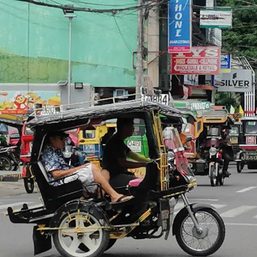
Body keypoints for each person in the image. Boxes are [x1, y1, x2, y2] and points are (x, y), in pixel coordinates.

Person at [41, 131, 133, 204]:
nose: (64, 141)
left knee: (105, 172)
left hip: (67, 177)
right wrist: (80, 168)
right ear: (52, 139)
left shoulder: (57, 150)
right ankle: (114, 195)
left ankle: (101, 194)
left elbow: (76, 153)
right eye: (61, 139)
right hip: (60, 182)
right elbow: (56, 174)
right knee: (91, 167)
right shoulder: (49, 152)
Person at [102, 118, 151, 188]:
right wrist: (144, 164)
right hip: (114, 176)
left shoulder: (119, 141)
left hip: (119, 174)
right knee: (142, 183)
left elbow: (132, 154)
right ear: (124, 127)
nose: (133, 128)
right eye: (132, 126)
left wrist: (149, 160)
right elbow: (123, 163)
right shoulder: (116, 142)